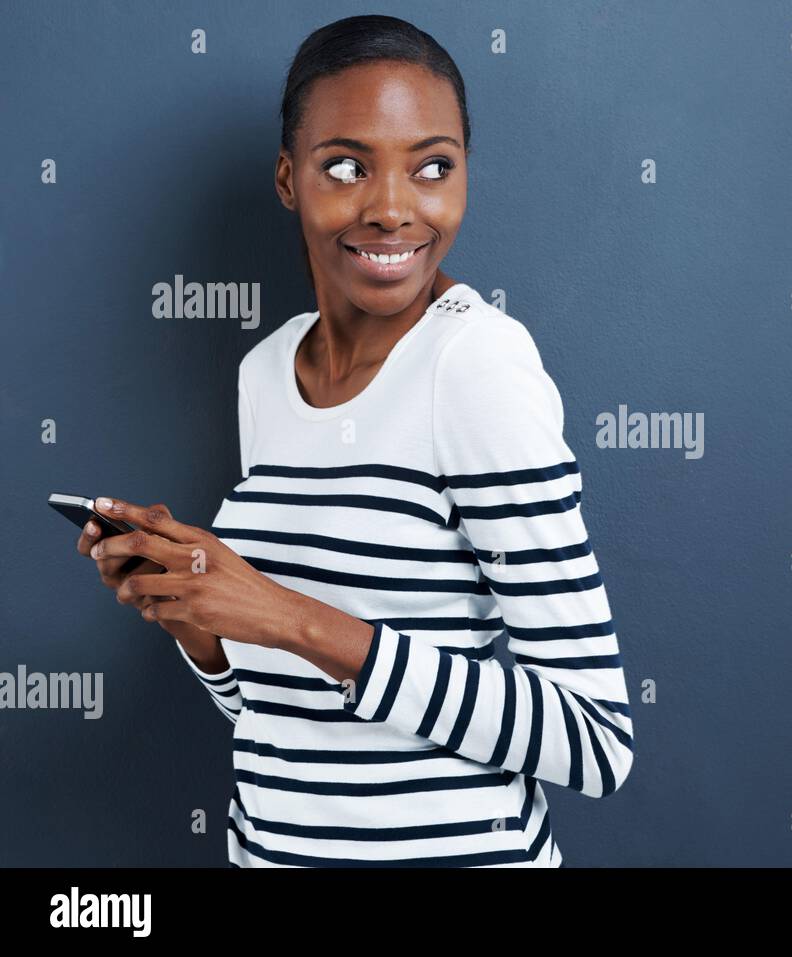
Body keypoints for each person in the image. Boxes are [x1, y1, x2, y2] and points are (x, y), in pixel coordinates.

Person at [73, 13, 633, 867]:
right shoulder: (264, 372)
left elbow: (594, 741)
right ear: (289, 179)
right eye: (346, 167)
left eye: (433, 167)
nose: (393, 209)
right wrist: (199, 615)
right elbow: (288, 712)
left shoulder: (474, 363)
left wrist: (290, 615)